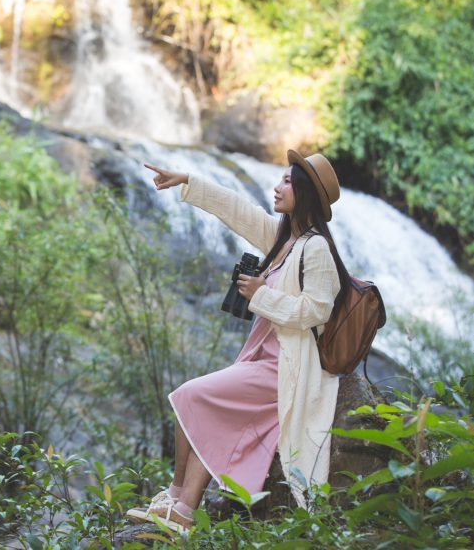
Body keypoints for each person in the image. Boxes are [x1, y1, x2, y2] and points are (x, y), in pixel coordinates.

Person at [125, 151, 351, 531]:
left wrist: (261, 294)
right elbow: (237, 208)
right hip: (262, 361)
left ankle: (181, 502)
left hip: (288, 369)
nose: (277, 188)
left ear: (306, 193)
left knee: (191, 396)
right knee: (196, 402)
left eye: (286, 182)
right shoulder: (285, 241)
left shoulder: (316, 249)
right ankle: (179, 502)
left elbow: (317, 310)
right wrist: (187, 181)